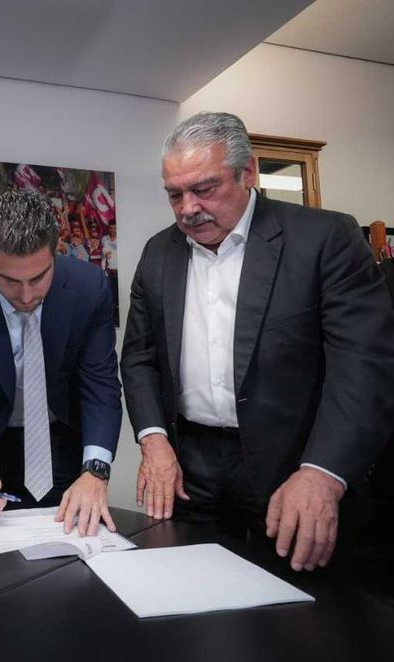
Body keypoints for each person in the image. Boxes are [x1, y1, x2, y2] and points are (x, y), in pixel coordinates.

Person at [121, 111, 394, 572]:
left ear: (247, 173)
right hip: (191, 464)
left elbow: (364, 366)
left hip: (294, 461)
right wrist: (153, 440)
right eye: (174, 194)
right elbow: (140, 357)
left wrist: (322, 472)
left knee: (304, 610)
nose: (188, 207)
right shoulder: (158, 252)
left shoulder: (324, 238)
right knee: (188, 587)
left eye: (203, 189)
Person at [0, 190, 122, 536]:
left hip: (61, 447)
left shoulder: (90, 288)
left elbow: (101, 387)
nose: (26, 295)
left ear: (55, 252)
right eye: (10, 281)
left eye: (38, 278)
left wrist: (95, 471)